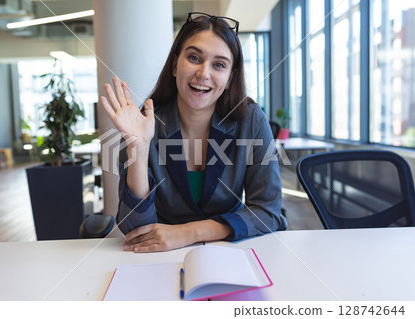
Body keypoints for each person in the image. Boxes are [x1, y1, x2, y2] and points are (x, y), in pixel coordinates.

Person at [101, 12, 287, 253]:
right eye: (194, 58)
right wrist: (139, 146)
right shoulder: (145, 121)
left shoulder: (249, 119)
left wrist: (189, 232)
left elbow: (269, 212)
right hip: (160, 256)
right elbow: (134, 227)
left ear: (230, 78)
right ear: (175, 65)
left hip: (230, 252)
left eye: (219, 64)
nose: (203, 74)